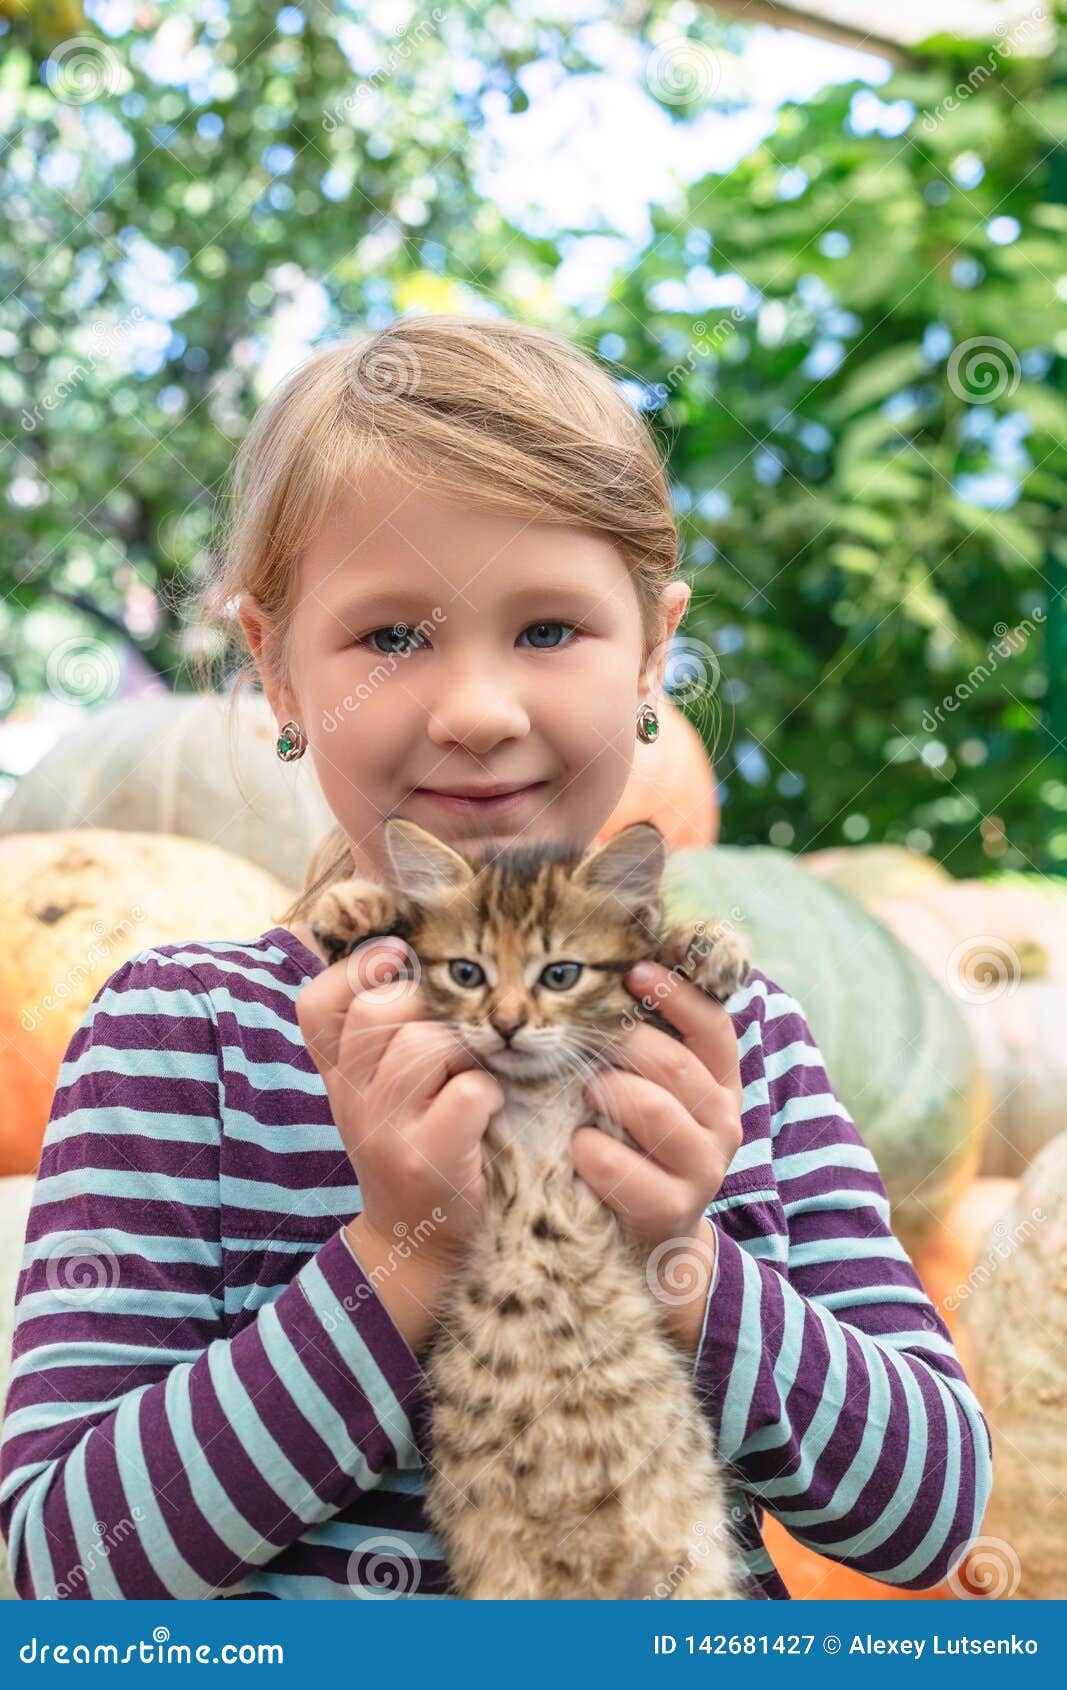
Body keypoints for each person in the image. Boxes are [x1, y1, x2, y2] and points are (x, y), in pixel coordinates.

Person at [0, 315, 991, 1600]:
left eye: (547, 630)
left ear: (652, 655)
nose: (476, 711)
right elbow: (63, 1570)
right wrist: (402, 1254)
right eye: (391, 638)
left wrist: (679, 1256)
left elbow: (929, 1517)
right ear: (275, 671)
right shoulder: (183, 1039)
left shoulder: (738, 1042)